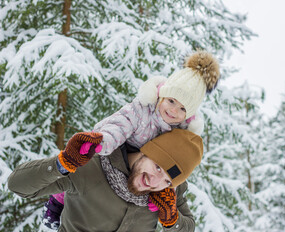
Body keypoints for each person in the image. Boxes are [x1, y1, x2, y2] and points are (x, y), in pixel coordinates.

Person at [41, 50, 220, 229]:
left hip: (145, 164)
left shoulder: (180, 131)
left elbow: (174, 169)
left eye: (182, 109)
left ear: (188, 116)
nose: (174, 111)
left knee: (150, 179)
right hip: (117, 147)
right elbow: (120, 125)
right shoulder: (141, 110)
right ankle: (57, 202)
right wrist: (105, 142)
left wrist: (165, 193)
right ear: (161, 95)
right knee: (86, 169)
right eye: (171, 101)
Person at [8, 129, 203, 232]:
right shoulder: (92, 166)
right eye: (158, 167)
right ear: (147, 150)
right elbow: (18, 185)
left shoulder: (167, 194)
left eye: (168, 181)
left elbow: (187, 227)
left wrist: (172, 220)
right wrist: (62, 163)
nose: (155, 182)